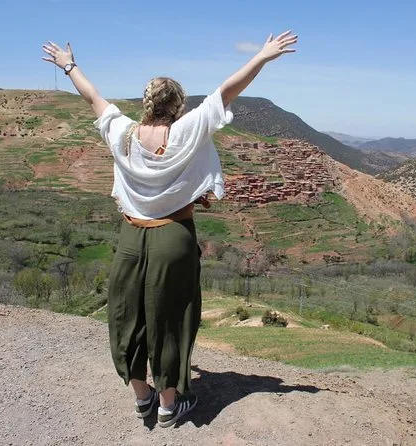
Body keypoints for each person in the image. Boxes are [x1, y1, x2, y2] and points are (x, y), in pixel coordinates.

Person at [41, 31, 298, 427]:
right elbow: (228, 90)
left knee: (127, 316)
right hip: (174, 235)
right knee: (171, 317)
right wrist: (262, 56)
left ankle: (142, 396)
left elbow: (92, 96)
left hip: (131, 237)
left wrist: (69, 65)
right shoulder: (186, 130)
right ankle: (168, 404)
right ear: (178, 105)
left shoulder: (122, 132)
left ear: (146, 103)